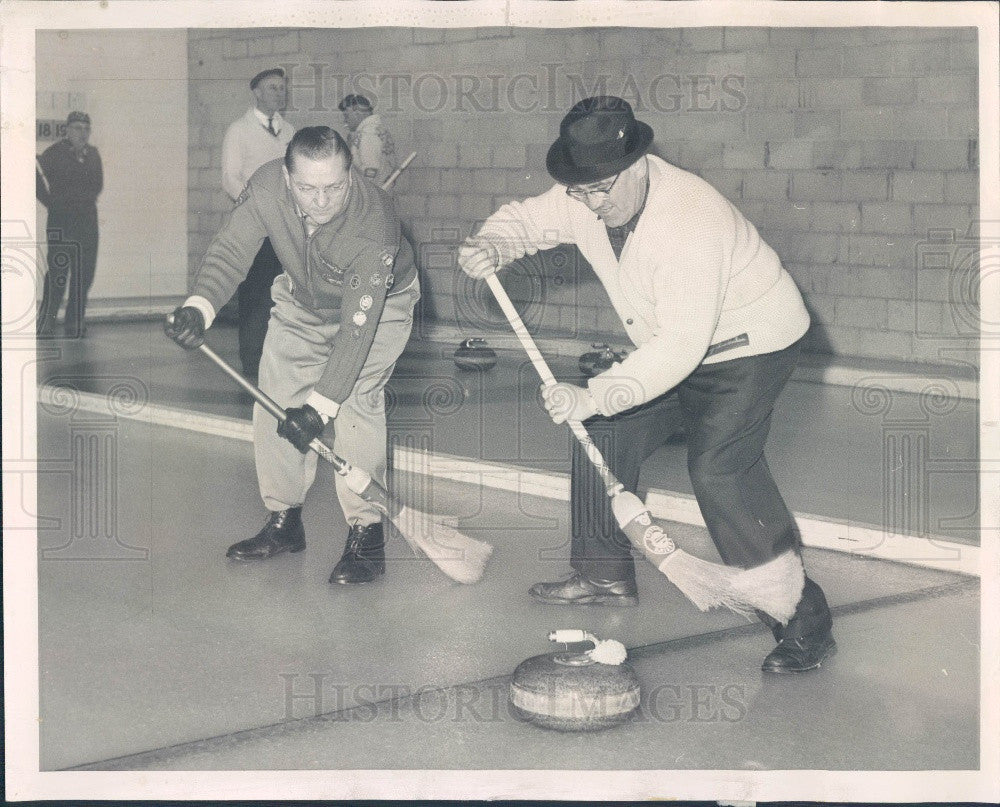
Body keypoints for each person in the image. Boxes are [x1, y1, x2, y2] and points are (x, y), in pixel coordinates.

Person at [458, 96, 834, 674]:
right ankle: (603, 573)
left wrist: (595, 392)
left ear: (638, 165)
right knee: (601, 429)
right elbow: (527, 219)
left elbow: (680, 349)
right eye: (579, 191)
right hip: (678, 342)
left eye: (599, 189)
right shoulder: (589, 191)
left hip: (750, 346)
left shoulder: (690, 220)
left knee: (720, 468)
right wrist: (493, 244)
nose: (587, 203)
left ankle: (801, 618)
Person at [166, 126, 420, 586]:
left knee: (357, 402)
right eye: (307, 188)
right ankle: (284, 521)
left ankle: (367, 531)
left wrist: (321, 407)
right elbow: (230, 250)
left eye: (334, 188)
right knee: (276, 396)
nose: (321, 202)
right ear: (286, 178)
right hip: (304, 299)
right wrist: (198, 306)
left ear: (351, 176)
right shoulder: (265, 187)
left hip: (379, 309)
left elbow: (357, 334)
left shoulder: (375, 225)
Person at [221, 67, 296, 379]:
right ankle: (252, 360)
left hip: (286, 223)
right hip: (255, 223)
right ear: (257, 92)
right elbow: (229, 177)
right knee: (255, 291)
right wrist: (255, 209)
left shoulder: (290, 131)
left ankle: (280, 359)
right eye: (272, 88)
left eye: (282, 88)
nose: (279, 93)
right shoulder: (238, 130)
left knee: (286, 290)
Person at [35, 111, 103, 339]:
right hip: (61, 222)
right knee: (57, 274)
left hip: (87, 223)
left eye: (86, 129)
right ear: (66, 130)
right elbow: (34, 176)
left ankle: (74, 323)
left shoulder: (93, 155)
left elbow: (97, 185)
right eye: (77, 128)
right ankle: (46, 322)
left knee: (84, 275)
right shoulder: (54, 153)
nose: (82, 133)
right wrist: (51, 203)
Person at [338, 94, 398, 189]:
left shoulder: (368, 134)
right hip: (382, 190)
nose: (345, 121)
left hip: (372, 195)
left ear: (357, 112)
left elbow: (371, 172)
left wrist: (365, 196)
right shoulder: (377, 129)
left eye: (346, 115)